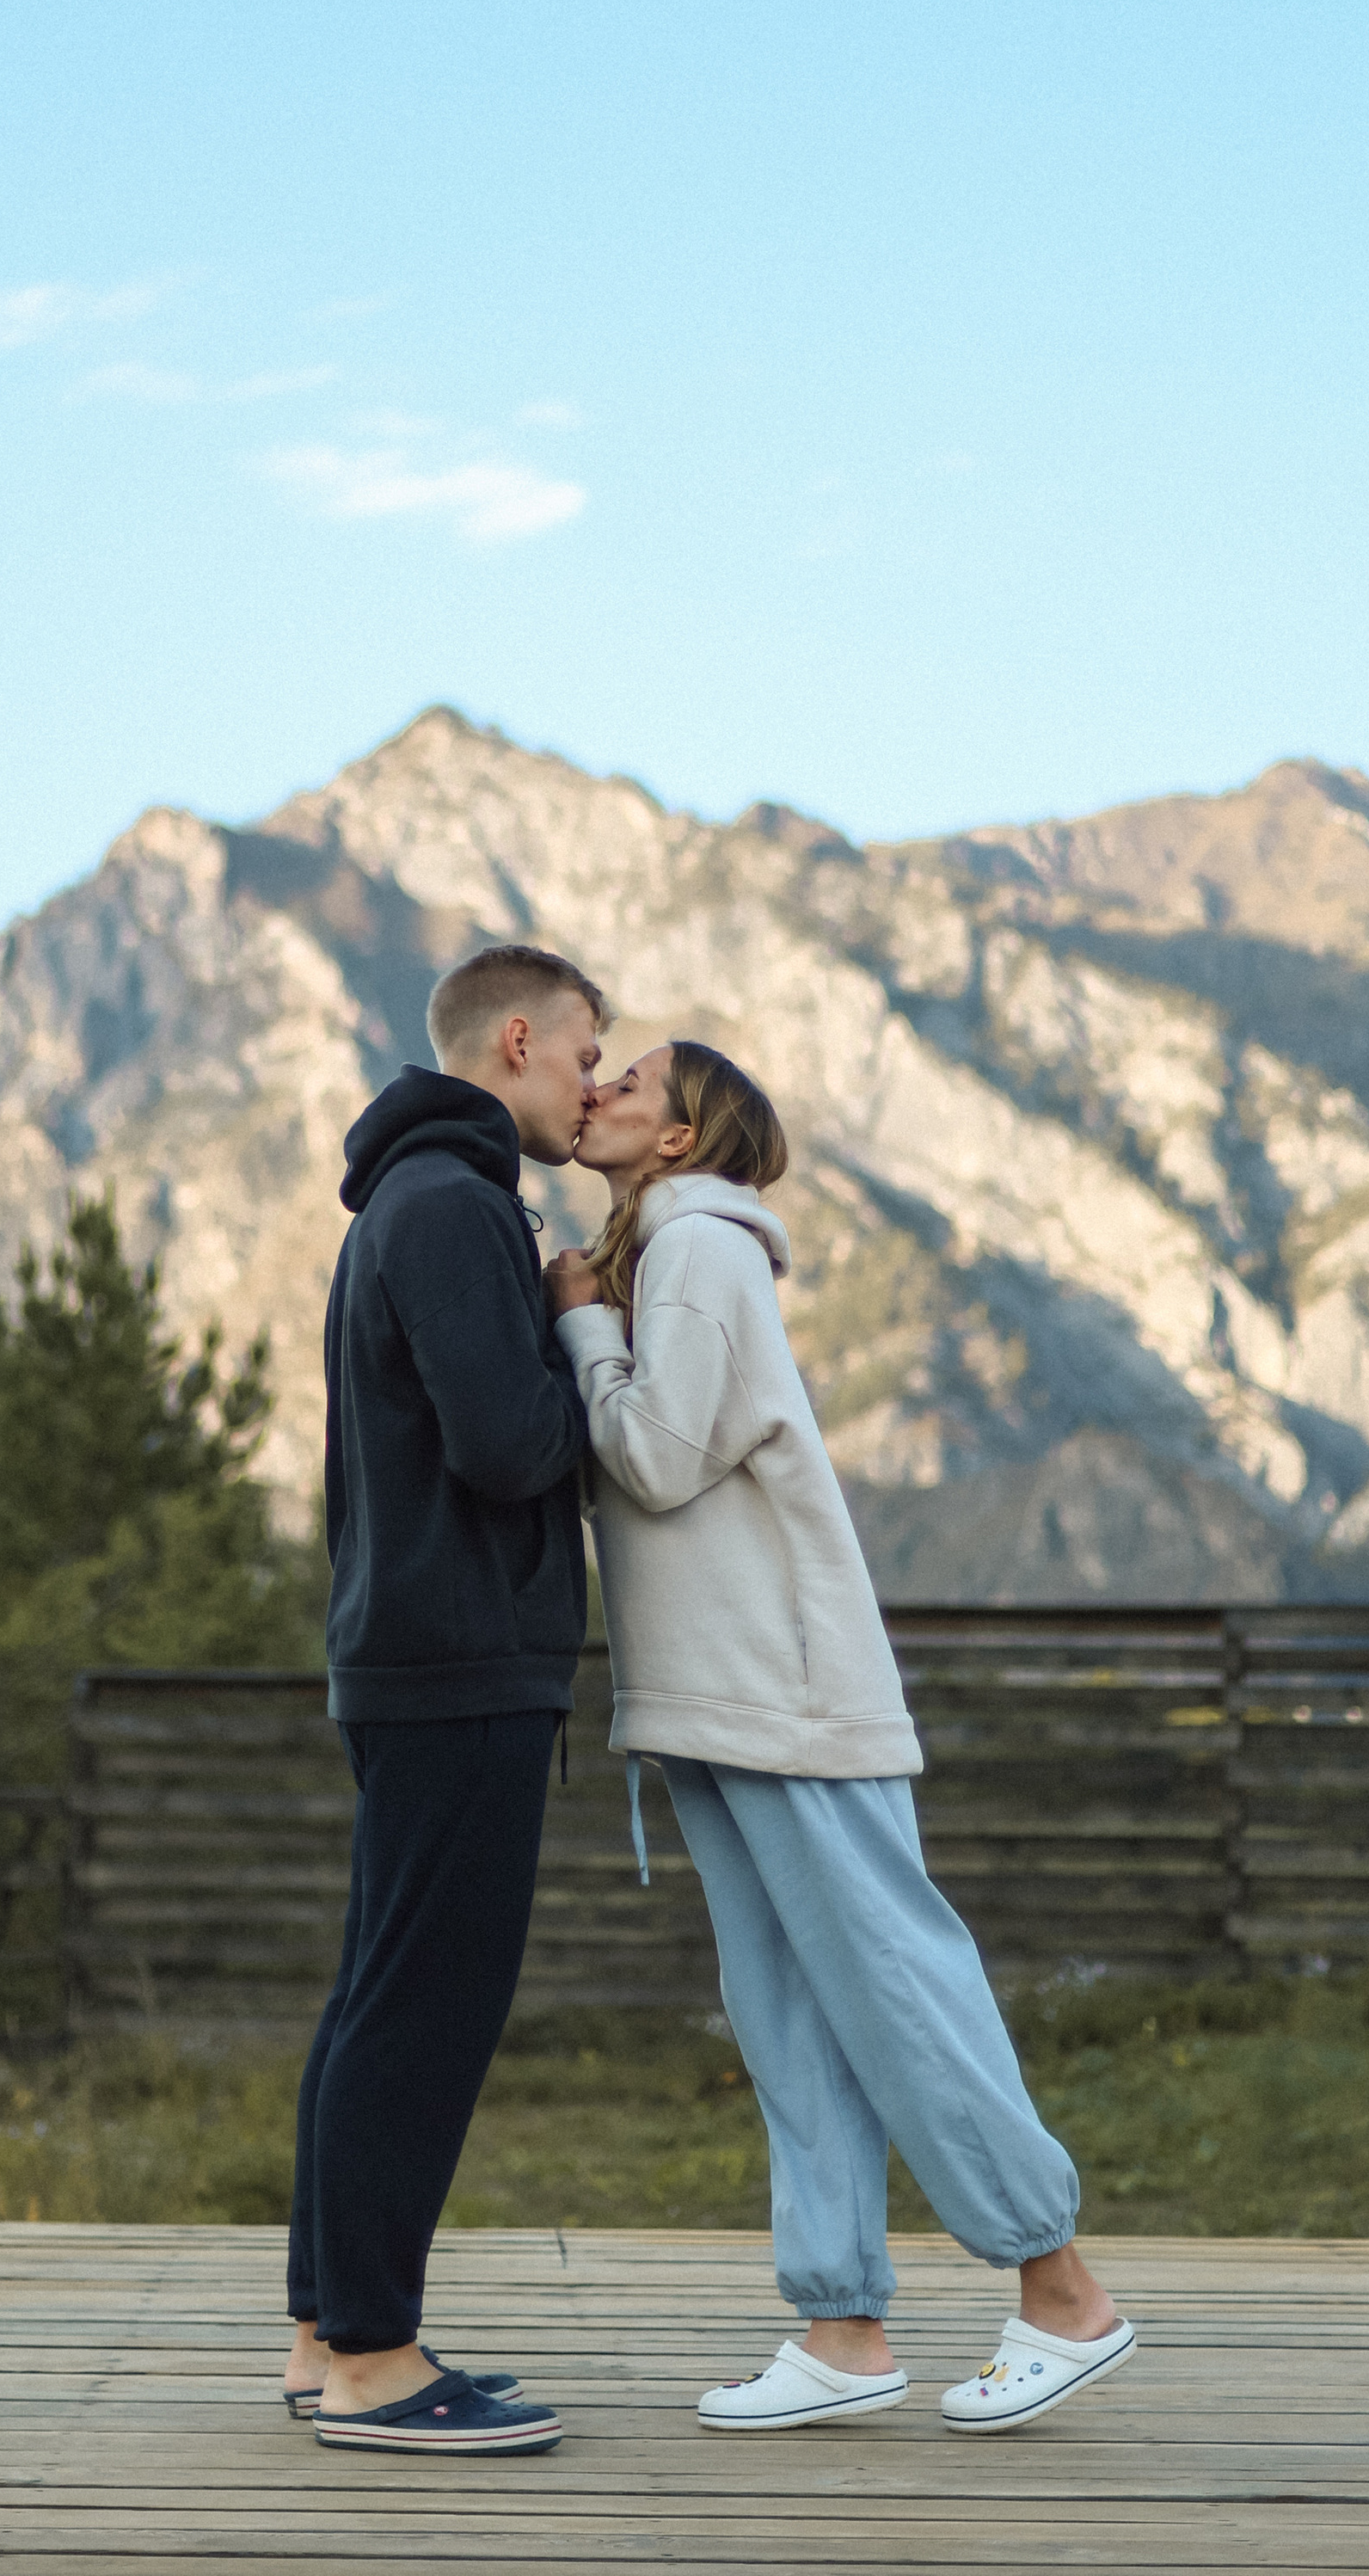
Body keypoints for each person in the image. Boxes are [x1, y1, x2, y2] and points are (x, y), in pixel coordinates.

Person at [545, 1041, 1134, 2435]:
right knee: (793, 2013)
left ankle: (1062, 2290)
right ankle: (841, 2329)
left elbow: (655, 1454)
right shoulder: (672, 1254)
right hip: (724, 1693)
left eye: (626, 1078)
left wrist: (578, 1323)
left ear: (682, 1139)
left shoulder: (699, 1252)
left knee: (892, 1985)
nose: (596, 1087)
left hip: (787, 1691)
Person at [285, 944, 605, 2458]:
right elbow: (508, 1445)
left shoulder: (403, 1204)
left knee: (376, 1997)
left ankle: (326, 2331)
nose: (594, 1088)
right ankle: (374, 2361)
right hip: (460, 1661)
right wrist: (581, 1332)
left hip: (406, 1656)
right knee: (424, 2009)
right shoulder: (462, 1209)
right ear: (520, 1040)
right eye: (585, 1057)